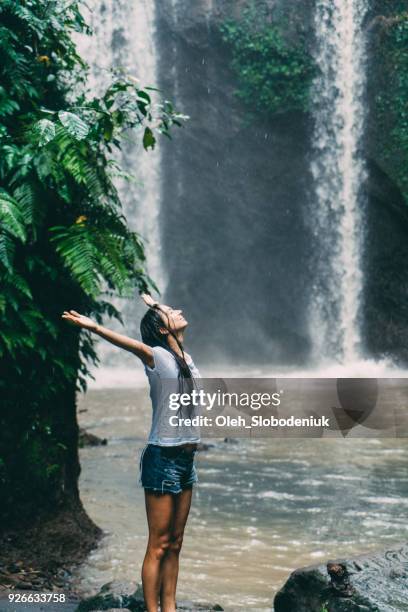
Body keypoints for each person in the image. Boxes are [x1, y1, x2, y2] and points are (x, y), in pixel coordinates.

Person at [62, 294, 201, 612]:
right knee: (159, 543)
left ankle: (171, 607)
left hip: (186, 461)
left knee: (176, 543)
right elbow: (133, 345)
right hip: (162, 458)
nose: (178, 310)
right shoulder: (158, 357)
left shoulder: (186, 359)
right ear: (162, 330)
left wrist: (156, 307)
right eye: (171, 312)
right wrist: (95, 327)